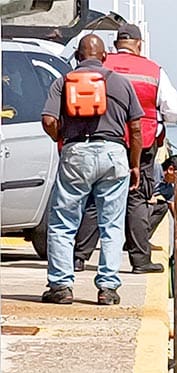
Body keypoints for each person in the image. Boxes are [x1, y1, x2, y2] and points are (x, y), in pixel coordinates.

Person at [40, 34, 144, 305]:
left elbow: (49, 120)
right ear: (105, 56)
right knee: (111, 224)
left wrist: (60, 136)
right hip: (114, 154)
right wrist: (135, 165)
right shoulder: (121, 83)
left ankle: (61, 286)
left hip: (77, 152)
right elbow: (135, 129)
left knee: (63, 223)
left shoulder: (63, 82)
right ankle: (108, 288)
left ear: (77, 56)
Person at [103, 24, 177, 273]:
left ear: (116, 44)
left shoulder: (101, 64)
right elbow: (174, 110)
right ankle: (140, 260)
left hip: (105, 136)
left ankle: (79, 257)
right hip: (143, 141)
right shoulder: (153, 70)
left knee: (97, 197)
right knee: (136, 198)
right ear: (138, 44)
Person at [73, 154, 177, 270]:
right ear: (171, 169)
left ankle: (136, 242)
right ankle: (80, 256)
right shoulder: (152, 169)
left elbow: (174, 209)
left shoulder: (168, 187)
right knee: (103, 209)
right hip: (124, 191)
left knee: (160, 207)